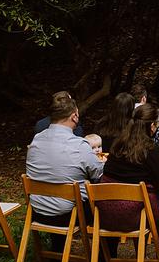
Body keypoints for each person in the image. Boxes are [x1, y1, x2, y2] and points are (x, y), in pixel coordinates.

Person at [25, 92, 104, 249]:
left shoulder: (36, 140)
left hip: (37, 211)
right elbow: (99, 174)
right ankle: (103, 259)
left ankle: (57, 253)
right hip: (68, 214)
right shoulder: (79, 145)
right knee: (102, 200)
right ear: (74, 116)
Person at [97, 103, 159, 237]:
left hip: (105, 212)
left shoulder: (117, 145)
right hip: (136, 215)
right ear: (152, 126)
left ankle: (107, 257)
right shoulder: (152, 151)